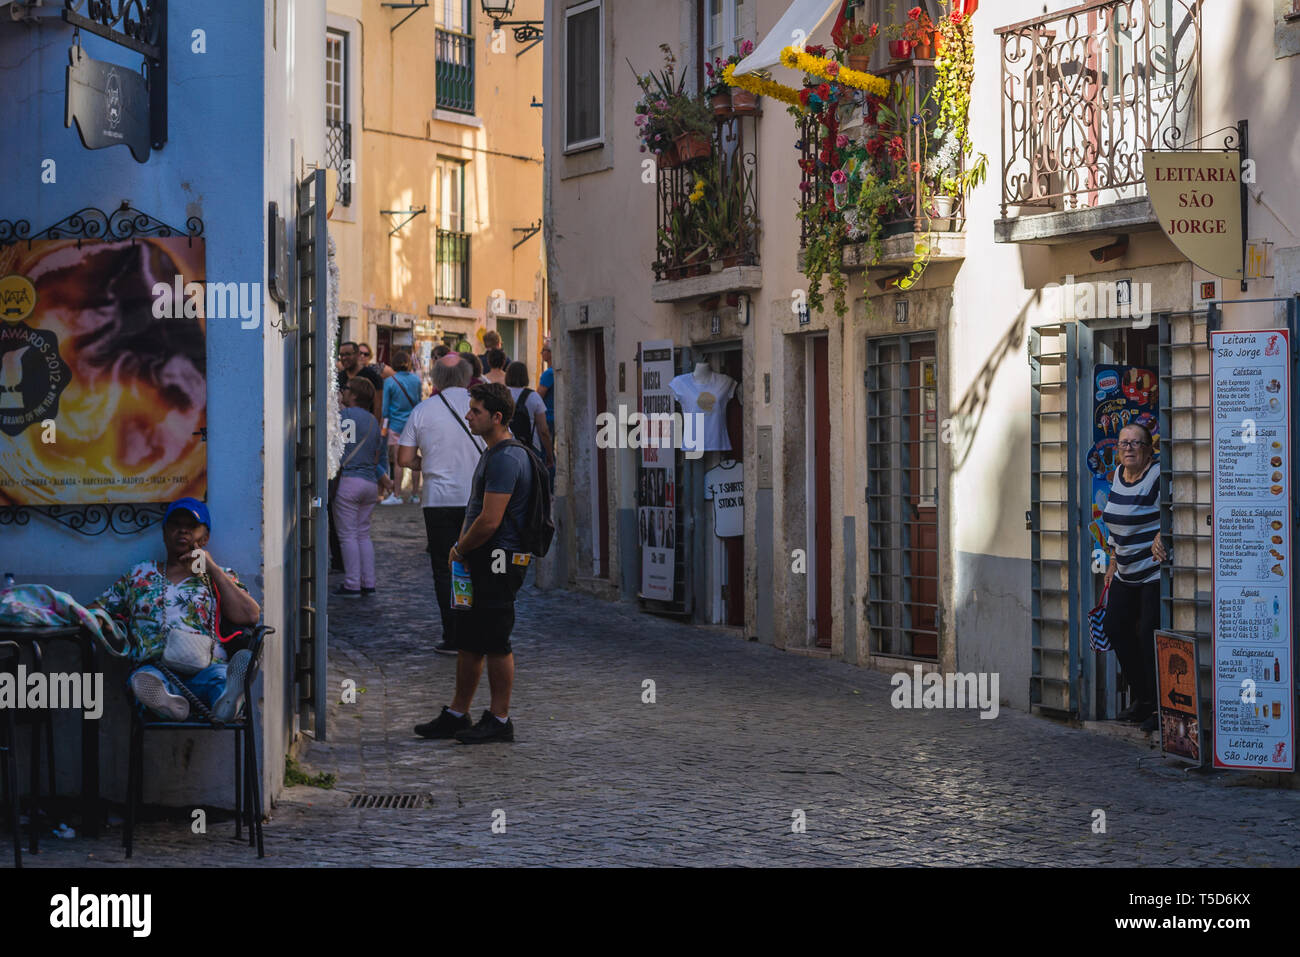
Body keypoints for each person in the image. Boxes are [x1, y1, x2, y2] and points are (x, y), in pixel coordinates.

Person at [414, 382, 533, 744]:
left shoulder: (507, 458)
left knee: (495, 639)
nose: (468, 416)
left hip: (498, 560)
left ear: (496, 417)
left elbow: (490, 520)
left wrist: (460, 548)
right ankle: (457, 713)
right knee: (469, 638)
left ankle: (499, 719)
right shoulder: (492, 452)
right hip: (480, 558)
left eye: (475, 411)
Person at [91, 498, 261, 723]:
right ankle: (168, 704)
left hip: (207, 668)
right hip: (157, 669)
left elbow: (250, 615)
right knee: (144, 681)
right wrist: (95, 619)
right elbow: (98, 608)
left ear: (205, 538)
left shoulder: (220, 575)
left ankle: (227, 701)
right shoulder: (140, 574)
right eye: (175, 524)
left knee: (220, 680)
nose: (182, 530)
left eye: (191, 526)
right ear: (164, 533)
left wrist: (211, 568)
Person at [399, 354, 484, 656]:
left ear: (435, 378)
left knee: (445, 568)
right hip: (477, 499)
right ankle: (477, 630)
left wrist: (426, 463)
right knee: (477, 565)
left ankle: (454, 634)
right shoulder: (480, 407)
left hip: (438, 500)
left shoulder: (423, 410)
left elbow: (404, 458)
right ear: (467, 376)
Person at [1102, 422, 1166, 732]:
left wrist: (1163, 534)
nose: (1128, 448)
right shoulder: (1117, 474)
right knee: (1114, 628)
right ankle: (1143, 699)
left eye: (1136, 443)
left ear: (1148, 449)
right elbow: (1114, 522)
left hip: (1152, 570)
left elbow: (1174, 509)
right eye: (1123, 443)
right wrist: (1113, 559)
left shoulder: (1157, 476)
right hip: (1124, 571)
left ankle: (1158, 707)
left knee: (1147, 635)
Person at [334, 377, 392, 597]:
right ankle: (368, 582)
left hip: (349, 481)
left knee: (348, 535)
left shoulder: (345, 416)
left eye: (346, 389)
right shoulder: (373, 422)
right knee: (363, 535)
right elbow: (377, 457)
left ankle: (352, 584)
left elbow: (340, 447)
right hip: (369, 483)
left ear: (355, 395)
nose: (343, 391)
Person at [381, 351, 423, 505]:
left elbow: (385, 408)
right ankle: (415, 495)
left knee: (399, 461)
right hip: (413, 424)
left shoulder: (390, 382)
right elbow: (419, 402)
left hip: (396, 425)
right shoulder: (416, 380)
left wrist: (384, 424)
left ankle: (397, 494)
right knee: (414, 459)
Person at [505, 360, 555, 469]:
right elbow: (544, 431)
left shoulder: (501, 394)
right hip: (530, 447)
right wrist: (550, 455)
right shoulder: (533, 397)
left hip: (505, 446)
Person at [536, 341, 556, 488]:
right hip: (553, 416)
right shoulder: (554, 372)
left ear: (550, 353)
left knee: (546, 452)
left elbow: (538, 396)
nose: (541, 353)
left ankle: (548, 486)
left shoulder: (549, 373)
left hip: (546, 417)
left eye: (543, 350)